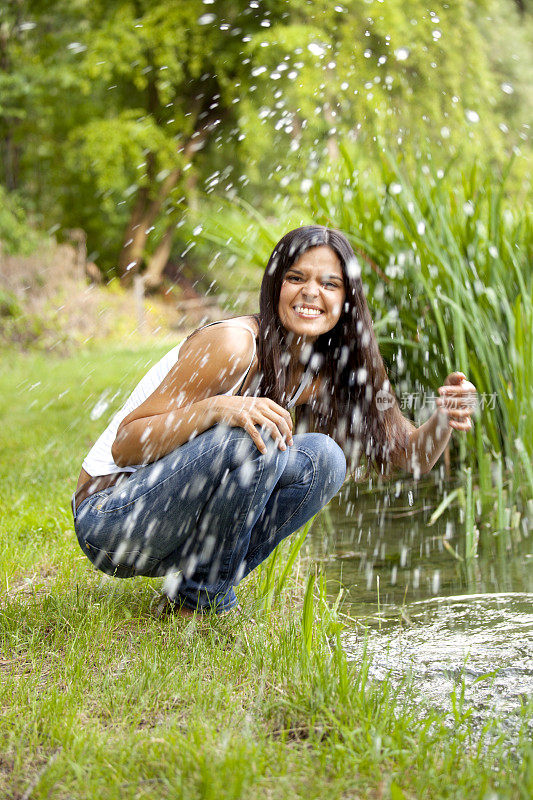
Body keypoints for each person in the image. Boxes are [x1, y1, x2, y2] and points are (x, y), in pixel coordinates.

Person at [72, 225, 477, 616]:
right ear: (275, 286)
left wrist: (443, 418)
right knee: (256, 431)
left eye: (330, 284)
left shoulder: (330, 367)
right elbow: (125, 443)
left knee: (325, 458)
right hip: (112, 519)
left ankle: (193, 596)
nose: (311, 292)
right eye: (296, 277)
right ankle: (205, 599)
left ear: (348, 299)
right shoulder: (235, 345)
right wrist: (218, 408)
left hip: (176, 529)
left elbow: (412, 456)